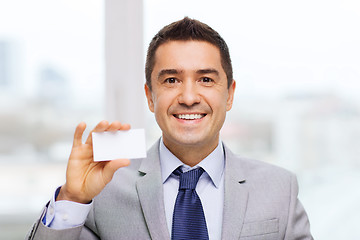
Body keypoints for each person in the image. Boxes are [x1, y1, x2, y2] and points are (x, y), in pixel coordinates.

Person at [26, 17, 313, 240]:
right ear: (150, 96)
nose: (188, 98)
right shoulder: (105, 189)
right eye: (172, 80)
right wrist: (73, 199)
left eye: (206, 80)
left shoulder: (279, 189)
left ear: (230, 94)